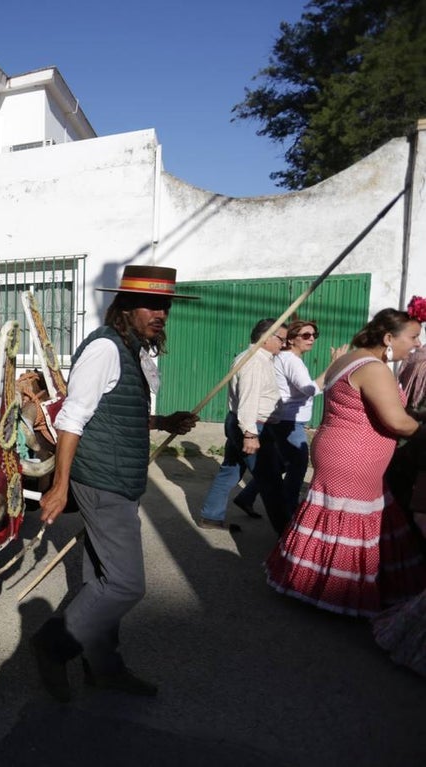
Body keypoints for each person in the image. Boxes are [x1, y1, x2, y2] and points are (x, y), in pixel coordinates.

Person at [31, 265, 198, 702]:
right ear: (124, 306)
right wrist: (60, 485)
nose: (159, 313)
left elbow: (115, 412)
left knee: (101, 578)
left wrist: (165, 422)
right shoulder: (105, 348)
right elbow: (73, 417)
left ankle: (103, 667)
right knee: (125, 585)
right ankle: (51, 646)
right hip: (103, 480)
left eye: (164, 305)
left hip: (119, 478)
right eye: (149, 304)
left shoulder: (131, 348)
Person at [265, 307, 426, 616]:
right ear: (389, 337)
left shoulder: (352, 358)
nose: (417, 344)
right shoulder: (374, 368)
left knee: (334, 515)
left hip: (341, 449)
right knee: (350, 521)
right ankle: (334, 593)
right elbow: (397, 422)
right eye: (413, 337)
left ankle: (310, 580)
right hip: (354, 456)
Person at [233, 320, 347, 520]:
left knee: (278, 465)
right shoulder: (291, 359)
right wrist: (333, 366)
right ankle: (289, 512)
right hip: (289, 421)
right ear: (291, 339)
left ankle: (247, 496)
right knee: (297, 465)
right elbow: (309, 389)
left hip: (286, 419)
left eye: (314, 335)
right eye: (305, 335)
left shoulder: (285, 357)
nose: (311, 339)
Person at [197, 319, 289, 533]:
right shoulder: (254, 361)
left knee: (231, 470)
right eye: (281, 339)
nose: (283, 345)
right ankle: (286, 536)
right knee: (271, 481)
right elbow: (249, 399)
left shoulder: (259, 358)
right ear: (266, 338)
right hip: (252, 425)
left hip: (244, 423)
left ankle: (211, 516)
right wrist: (250, 434)